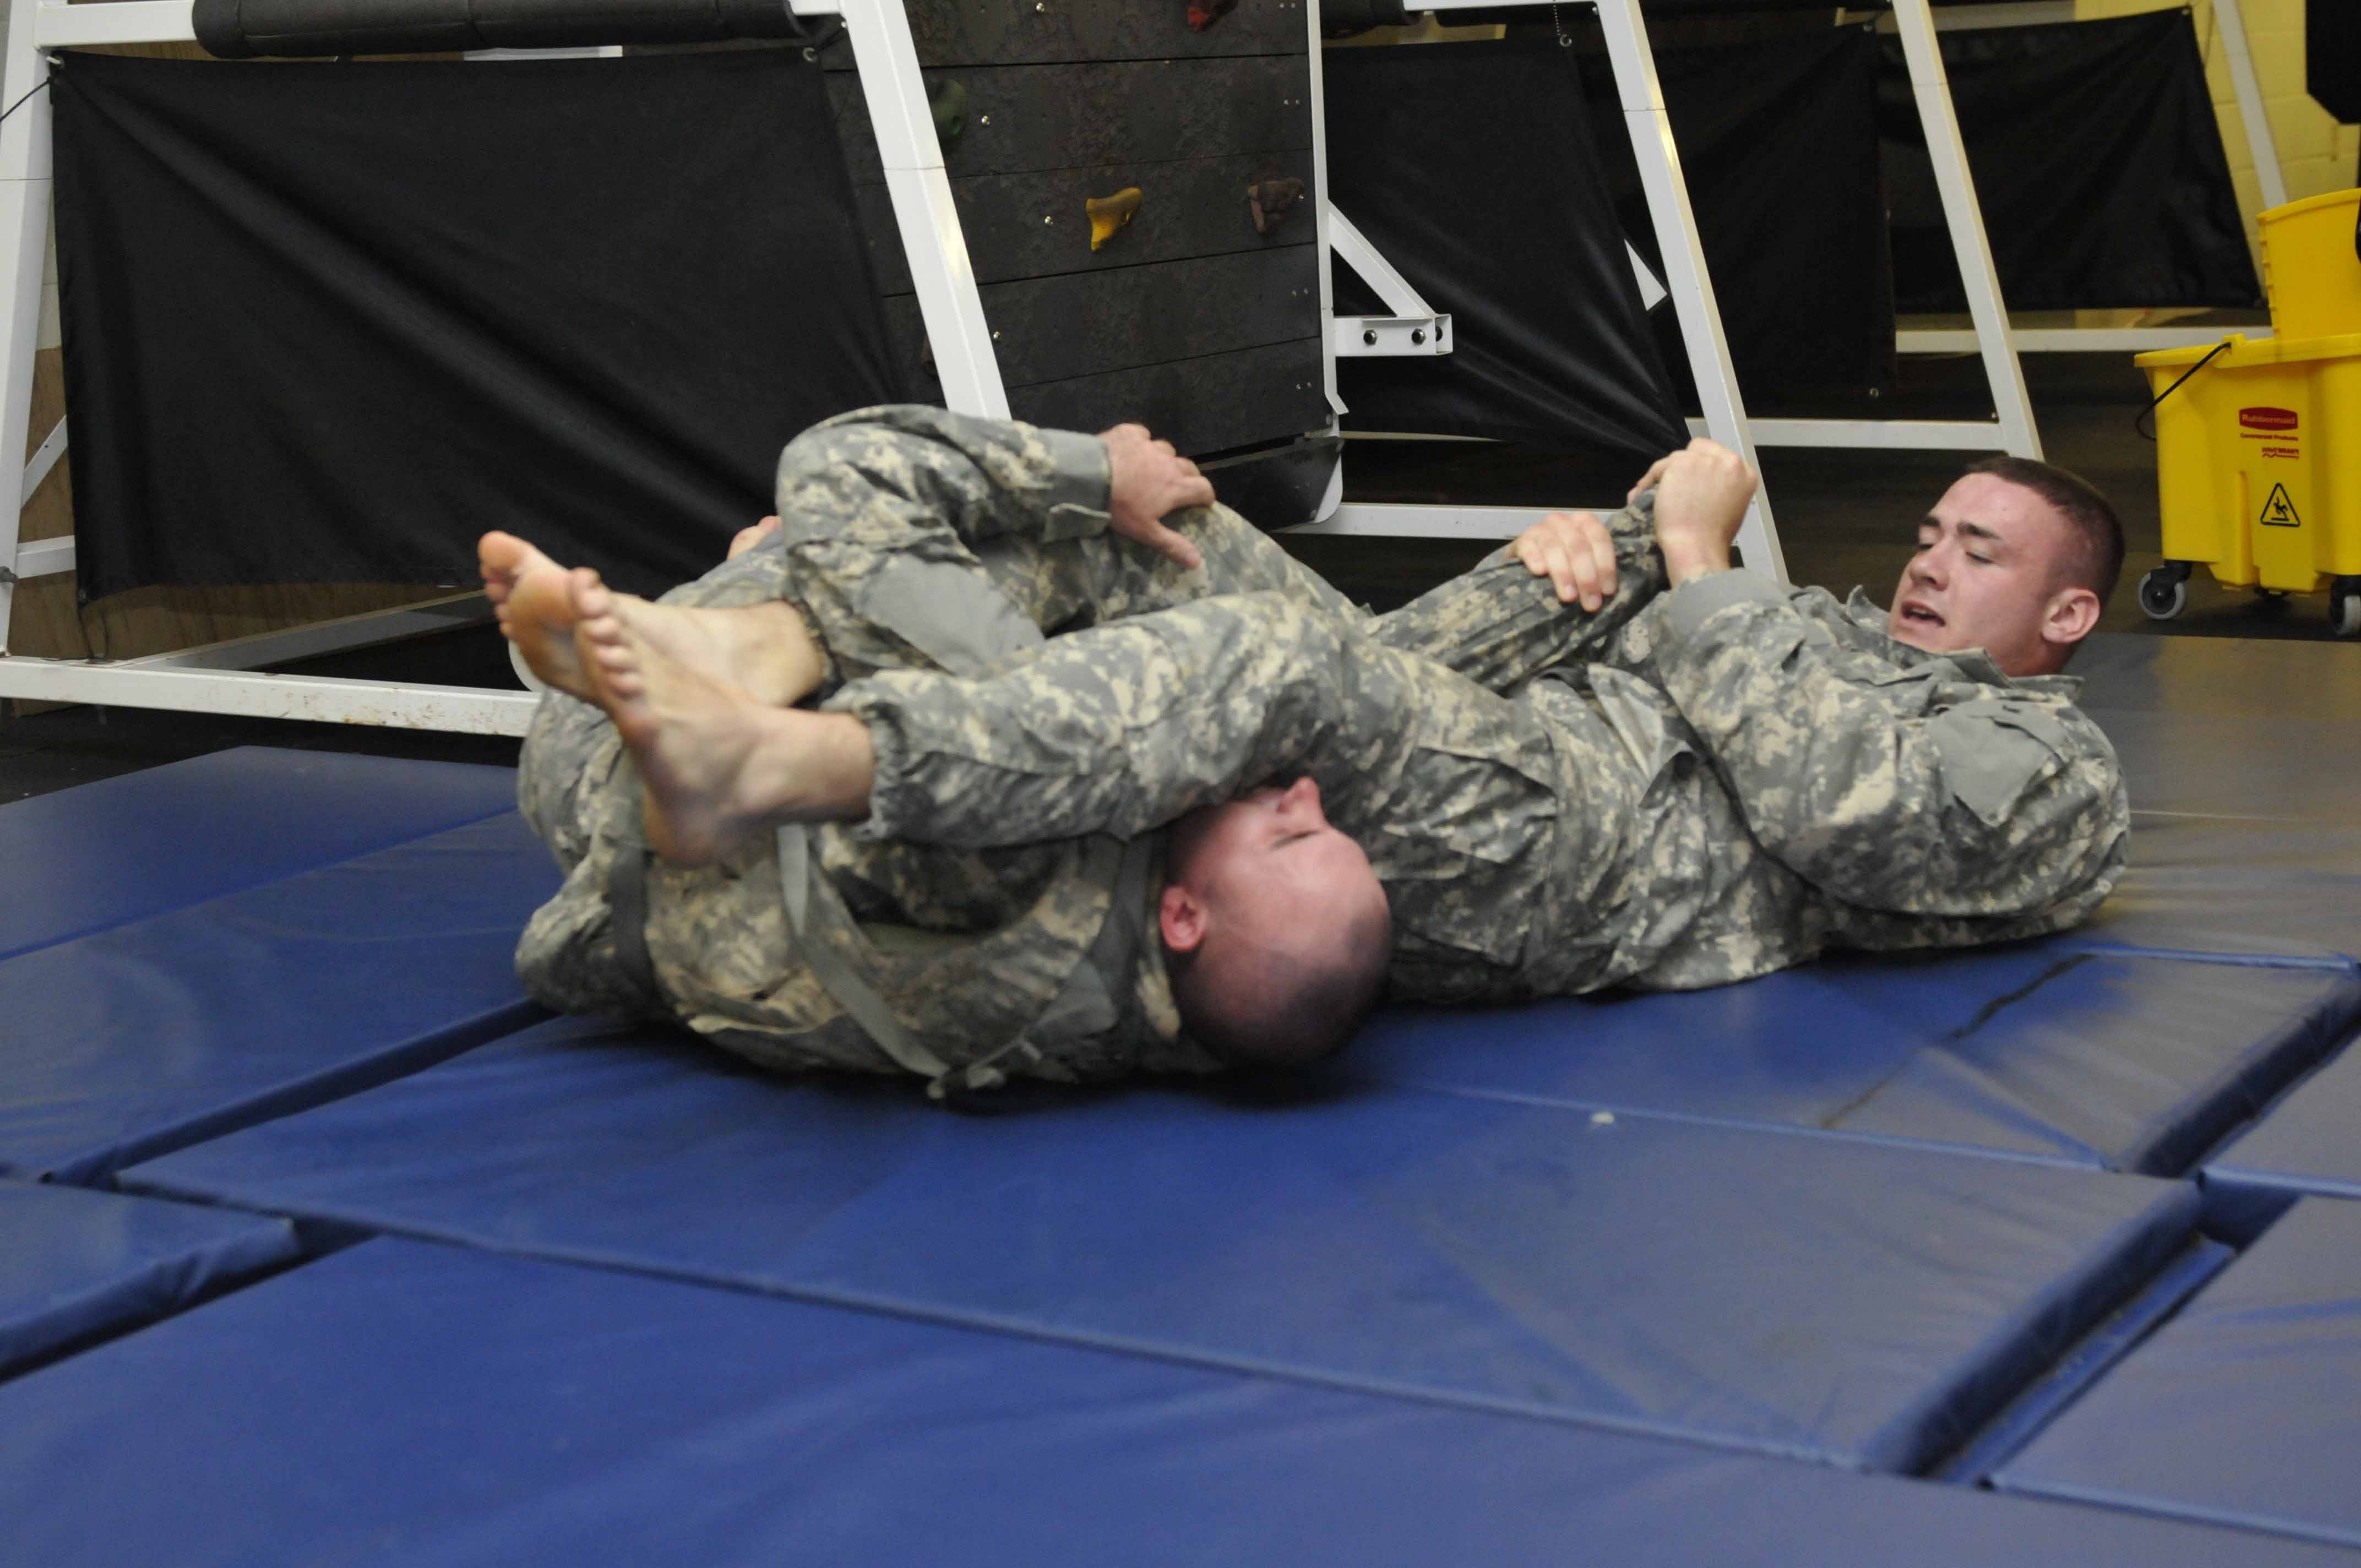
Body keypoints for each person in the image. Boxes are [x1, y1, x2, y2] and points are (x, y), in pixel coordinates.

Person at [744, 428, 2131, 1001]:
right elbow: (1411, 663)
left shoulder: (2051, 770)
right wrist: (1576, 562)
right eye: (1931, 532)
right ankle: (767, 618)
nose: (1928, 564)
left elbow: (1846, 816)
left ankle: (834, 750)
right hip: (1465, 729)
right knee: (1140, 524)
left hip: (1571, 851)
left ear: (2065, 619)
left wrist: (1700, 564)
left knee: (1275, 664)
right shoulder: (1818, 631)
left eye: (1980, 553)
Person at [487, 411, 1402, 1097]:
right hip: (625, 900)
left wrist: (1095, 472)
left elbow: (850, 474)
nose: (1306, 794)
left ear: (1182, 918)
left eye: (1293, 837)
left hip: (599, 761)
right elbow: (559, 965)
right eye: (1329, 825)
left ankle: (752, 619)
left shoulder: (1024, 866)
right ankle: (754, 592)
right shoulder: (1116, 1010)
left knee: (941, 583)